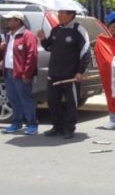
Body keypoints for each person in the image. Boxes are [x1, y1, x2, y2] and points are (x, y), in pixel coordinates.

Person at [37, 8, 91, 139]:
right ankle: (57, 126)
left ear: (71, 14)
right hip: (54, 73)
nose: (58, 15)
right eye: (58, 12)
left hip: (70, 76)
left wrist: (80, 71)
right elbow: (49, 47)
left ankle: (69, 129)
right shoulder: (56, 29)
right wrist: (43, 39)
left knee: (71, 103)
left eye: (61, 13)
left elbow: (85, 52)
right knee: (52, 101)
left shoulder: (79, 30)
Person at [0, 12, 39, 135]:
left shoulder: (27, 35)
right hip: (9, 72)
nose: (7, 22)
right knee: (13, 98)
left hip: (21, 73)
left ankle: (32, 124)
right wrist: (2, 48)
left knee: (25, 99)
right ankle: (16, 123)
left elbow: (32, 55)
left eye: (10, 20)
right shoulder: (9, 36)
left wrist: (27, 73)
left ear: (18, 21)